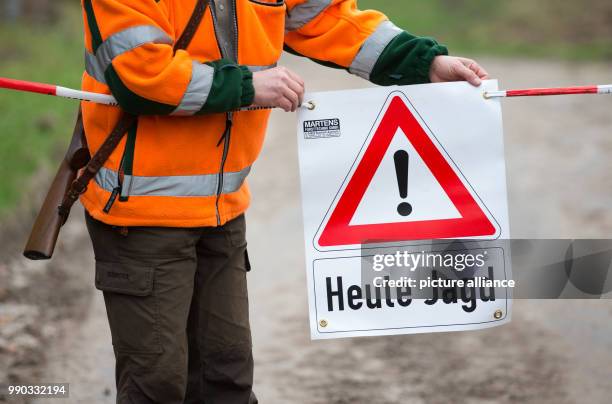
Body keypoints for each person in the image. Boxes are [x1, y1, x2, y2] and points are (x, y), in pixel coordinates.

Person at [79, 0, 488, 402]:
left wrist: (424, 64)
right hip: (140, 216)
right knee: (158, 386)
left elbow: (327, 18)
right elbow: (140, 73)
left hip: (222, 214)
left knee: (227, 380)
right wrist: (248, 86)